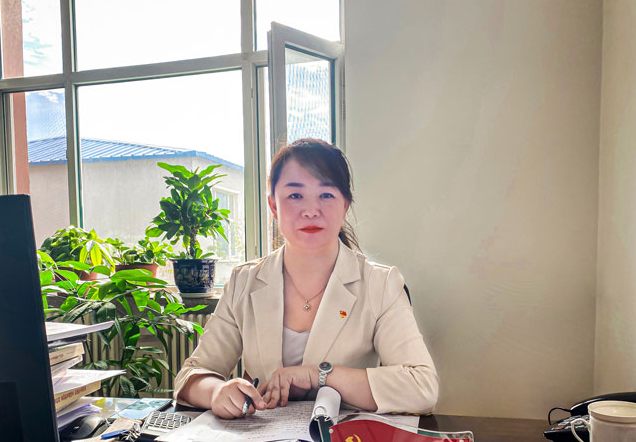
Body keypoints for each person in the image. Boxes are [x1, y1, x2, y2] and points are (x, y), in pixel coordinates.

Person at [173, 138, 438, 419]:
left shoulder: (380, 284)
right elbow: (192, 375)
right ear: (273, 206)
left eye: (326, 195)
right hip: (262, 440)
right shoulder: (244, 281)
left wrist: (318, 375)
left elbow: (422, 388)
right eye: (295, 195)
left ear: (345, 205)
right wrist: (217, 392)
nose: (311, 210)